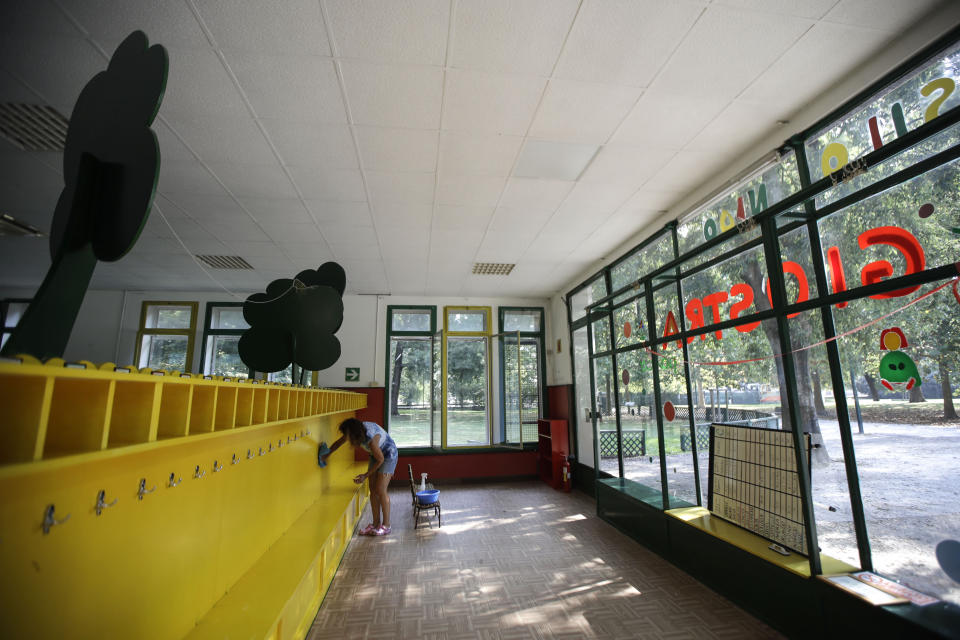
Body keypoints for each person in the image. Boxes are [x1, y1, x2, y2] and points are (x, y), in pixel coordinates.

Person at [322, 418, 398, 536]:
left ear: (354, 433)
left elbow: (381, 459)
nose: (346, 438)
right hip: (376, 455)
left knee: (380, 489)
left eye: (347, 435)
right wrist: (327, 454)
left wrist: (365, 475)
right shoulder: (354, 431)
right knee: (372, 490)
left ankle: (386, 526)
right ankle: (375, 524)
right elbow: (338, 443)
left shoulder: (371, 438)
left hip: (388, 454)